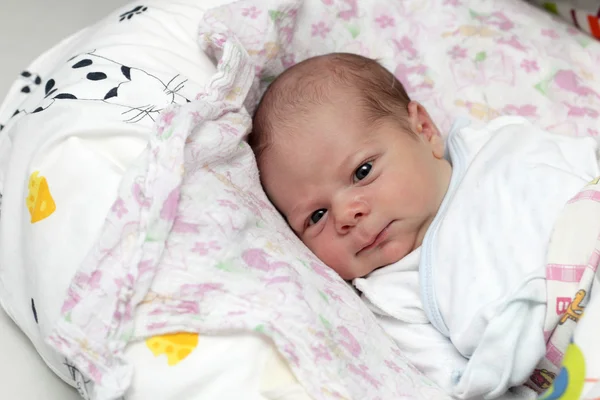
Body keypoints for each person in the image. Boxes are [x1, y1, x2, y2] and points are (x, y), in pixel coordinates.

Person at [249, 52, 600, 399]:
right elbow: (458, 385)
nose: (345, 215)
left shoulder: (499, 146)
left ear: (424, 129)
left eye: (362, 172)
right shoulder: (392, 298)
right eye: (316, 216)